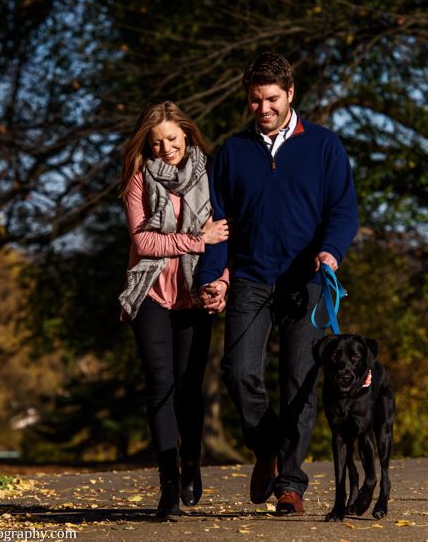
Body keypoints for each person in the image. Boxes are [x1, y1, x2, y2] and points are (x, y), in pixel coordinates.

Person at [199, 52, 359, 516]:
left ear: (291, 95)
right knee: (238, 370)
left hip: (306, 280)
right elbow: (218, 221)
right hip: (250, 277)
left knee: (300, 384)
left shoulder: (325, 146)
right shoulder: (231, 153)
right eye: (254, 100)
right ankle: (265, 447)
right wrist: (216, 275)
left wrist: (331, 250)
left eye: (271, 98)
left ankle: (291, 483)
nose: (263, 108)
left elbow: (342, 210)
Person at [118, 101, 229, 519]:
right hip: (149, 291)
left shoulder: (212, 176)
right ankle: (167, 486)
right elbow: (144, 243)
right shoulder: (138, 180)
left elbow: (228, 238)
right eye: (156, 142)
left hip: (194, 295)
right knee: (159, 385)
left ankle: (191, 464)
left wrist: (222, 282)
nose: (165, 149)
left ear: (187, 134)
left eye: (172, 139)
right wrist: (197, 239)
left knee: (188, 388)